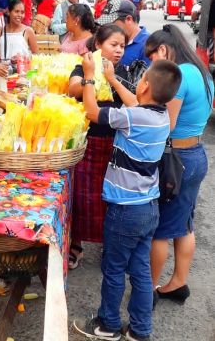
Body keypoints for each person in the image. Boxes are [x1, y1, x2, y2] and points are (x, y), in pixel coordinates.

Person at [74, 56, 182, 341]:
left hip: (125, 211)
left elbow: (92, 111)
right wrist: (111, 79)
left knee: (113, 269)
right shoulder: (160, 119)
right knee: (141, 272)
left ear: (144, 85)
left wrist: (88, 76)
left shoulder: (132, 118)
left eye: (141, 79)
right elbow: (135, 101)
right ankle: (140, 330)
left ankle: (107, 325)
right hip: (148, 209)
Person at [144, 24, 214, 306]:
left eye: (152, 59)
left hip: (177, 160)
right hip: (195, 154)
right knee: (184, 224)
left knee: (160, 229)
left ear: (163, 50)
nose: (152, 66)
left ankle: (147, 291)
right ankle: (178, 283)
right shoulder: (201, 71)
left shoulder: (180, 75)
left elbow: (167, 124)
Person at [68, 25, 133, 269]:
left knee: (110, 198)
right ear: (98, 45)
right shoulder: (83, 66)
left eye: (122, 46)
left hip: (115, 144)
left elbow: (134, 103)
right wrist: (91, 74)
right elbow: (73, 88)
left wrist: (112, 80)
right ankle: (76, 243)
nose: (118, 50)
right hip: (88, 143)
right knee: (81, 197)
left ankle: (109, 243)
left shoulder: (122, 71)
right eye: (113, 44)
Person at [97, 0, 150, 67]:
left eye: (112, 24)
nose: (107, 28)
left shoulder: (149, 44)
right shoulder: (108, 38)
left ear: (128, 19)